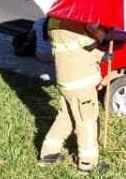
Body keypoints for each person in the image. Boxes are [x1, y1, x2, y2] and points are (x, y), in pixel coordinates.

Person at [39, 17, 109, 173]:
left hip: (66, 81)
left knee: (66, 118)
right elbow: (90, 43)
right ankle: (88, 163)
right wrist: (105, 29)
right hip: (81, 81)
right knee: (87, 121)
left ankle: (48, 154)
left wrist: (99, 53)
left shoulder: (53, 22)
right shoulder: (73, 23)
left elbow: (73, 48)